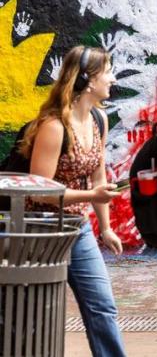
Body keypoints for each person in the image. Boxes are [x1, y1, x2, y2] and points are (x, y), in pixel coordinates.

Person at [23, 45, 126, 357]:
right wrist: (91, 196)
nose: (113, 77)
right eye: (107, 71)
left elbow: (98, 176)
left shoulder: (98, 119)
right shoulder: (55, 126)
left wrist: (106, 228)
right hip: (42, 231)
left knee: (102, 306)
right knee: (36, 314)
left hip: (77, 228)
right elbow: (39, 190)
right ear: (89, 80)